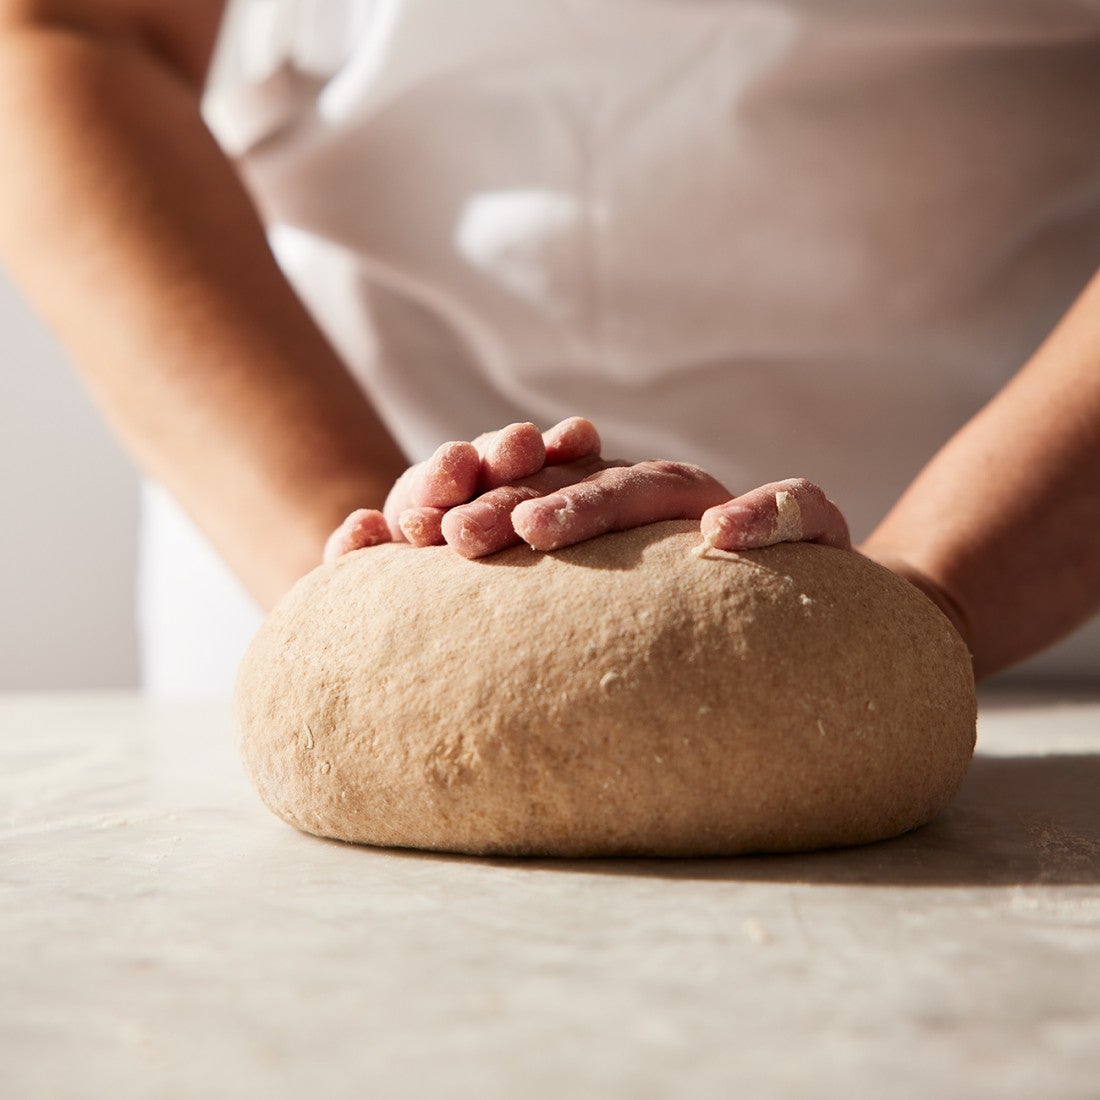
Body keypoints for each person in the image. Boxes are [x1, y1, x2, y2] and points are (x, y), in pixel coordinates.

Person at [1, 0, 1098, 693]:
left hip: (1019, 575)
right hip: (320, 546)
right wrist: (365, 582)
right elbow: (68, 32)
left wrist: (930, 600)